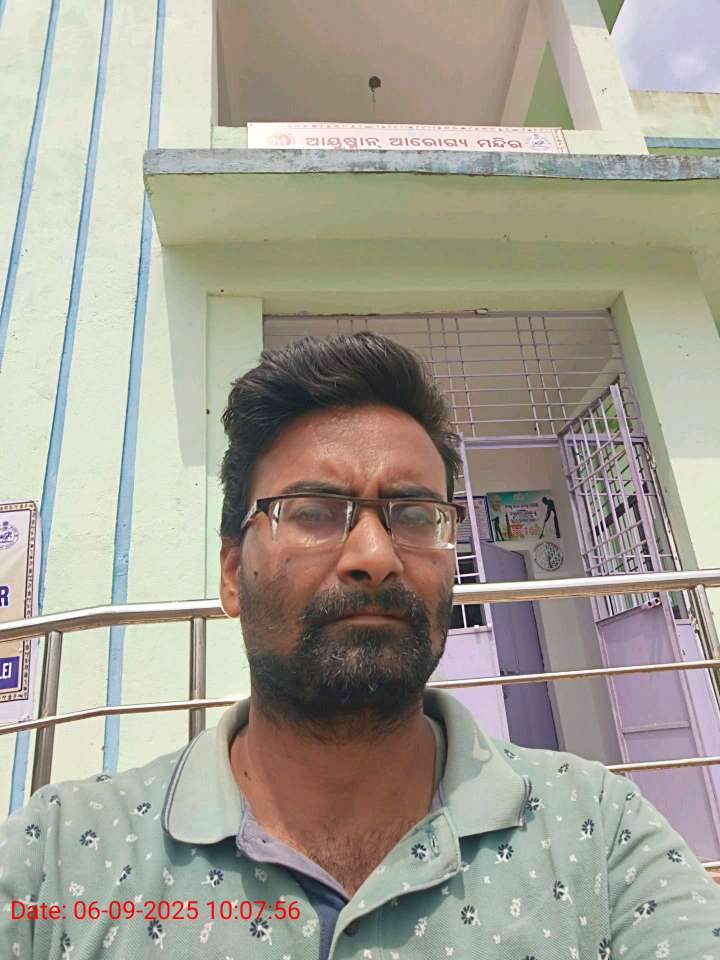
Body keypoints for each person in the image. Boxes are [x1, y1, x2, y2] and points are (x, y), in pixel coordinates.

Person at [1, 333, 719, 960]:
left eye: (415, 514)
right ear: (232, 572)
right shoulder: (58, 861)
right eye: (313, 511)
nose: (375, 555)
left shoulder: (599, 835)